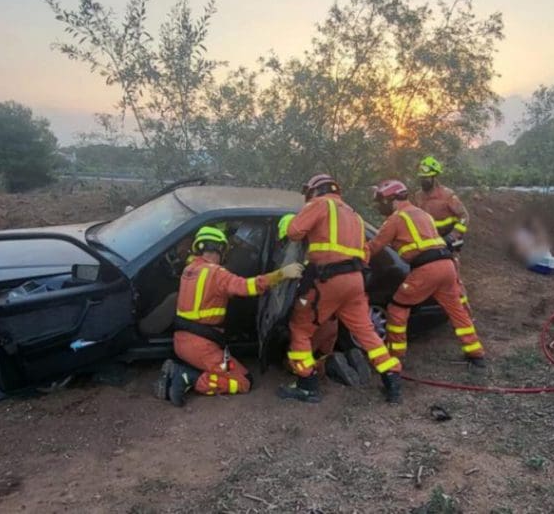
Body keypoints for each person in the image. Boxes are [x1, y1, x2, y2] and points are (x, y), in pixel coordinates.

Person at [277, 173, 403, 403]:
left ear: (315, 190)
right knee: (365, 330)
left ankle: (307, 384)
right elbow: (365, 253)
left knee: (300, 328)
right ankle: (392, 379)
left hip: (328, 280)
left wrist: (286, 222)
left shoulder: (320, 204)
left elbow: (295, 232)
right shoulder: (353, 214)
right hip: (355, 282)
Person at [158, 225, 304, 406]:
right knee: (243, 381)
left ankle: (181, 369)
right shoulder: (217, 273)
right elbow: (248, 286)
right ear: (219, 249)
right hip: (202, 348)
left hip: (182, 342)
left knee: (230, 370)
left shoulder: (189, 270)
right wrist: (281, 274)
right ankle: (189, 377)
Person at [368, 179, 485, 366]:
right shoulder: (423, 214)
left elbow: (374, 246)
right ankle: (476, 354)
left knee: (397, 307)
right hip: (447, 266)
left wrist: (353, 257)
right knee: (456, 310)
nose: (380, 206)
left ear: (392, 199)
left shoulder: (396, 219)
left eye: (382, 202)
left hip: (426, 270)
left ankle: (396, 355)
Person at [412, 155, 472, 307]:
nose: (423, 181)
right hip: (429, 243)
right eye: (421, 178)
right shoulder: (418, 196)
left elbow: (464, 216)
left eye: (427, 177)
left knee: (454, 278)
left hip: (448, 242)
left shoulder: (447, 196)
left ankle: (464, 311)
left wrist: (453, 236)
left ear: (435, 177)